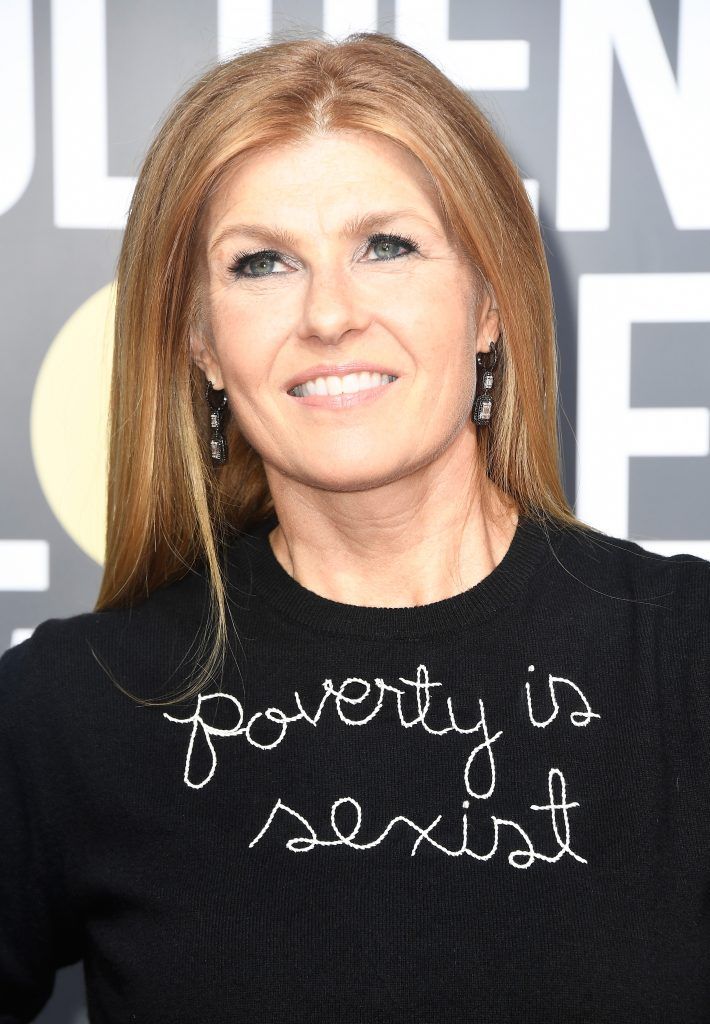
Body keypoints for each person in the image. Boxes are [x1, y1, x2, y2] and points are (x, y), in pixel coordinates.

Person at [1, 30, 708, 1024]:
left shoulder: (686, 654)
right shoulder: (70, 708)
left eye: (386, 246)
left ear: (488, 301)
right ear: (202, 341)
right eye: (260, 263)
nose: (328, 313)